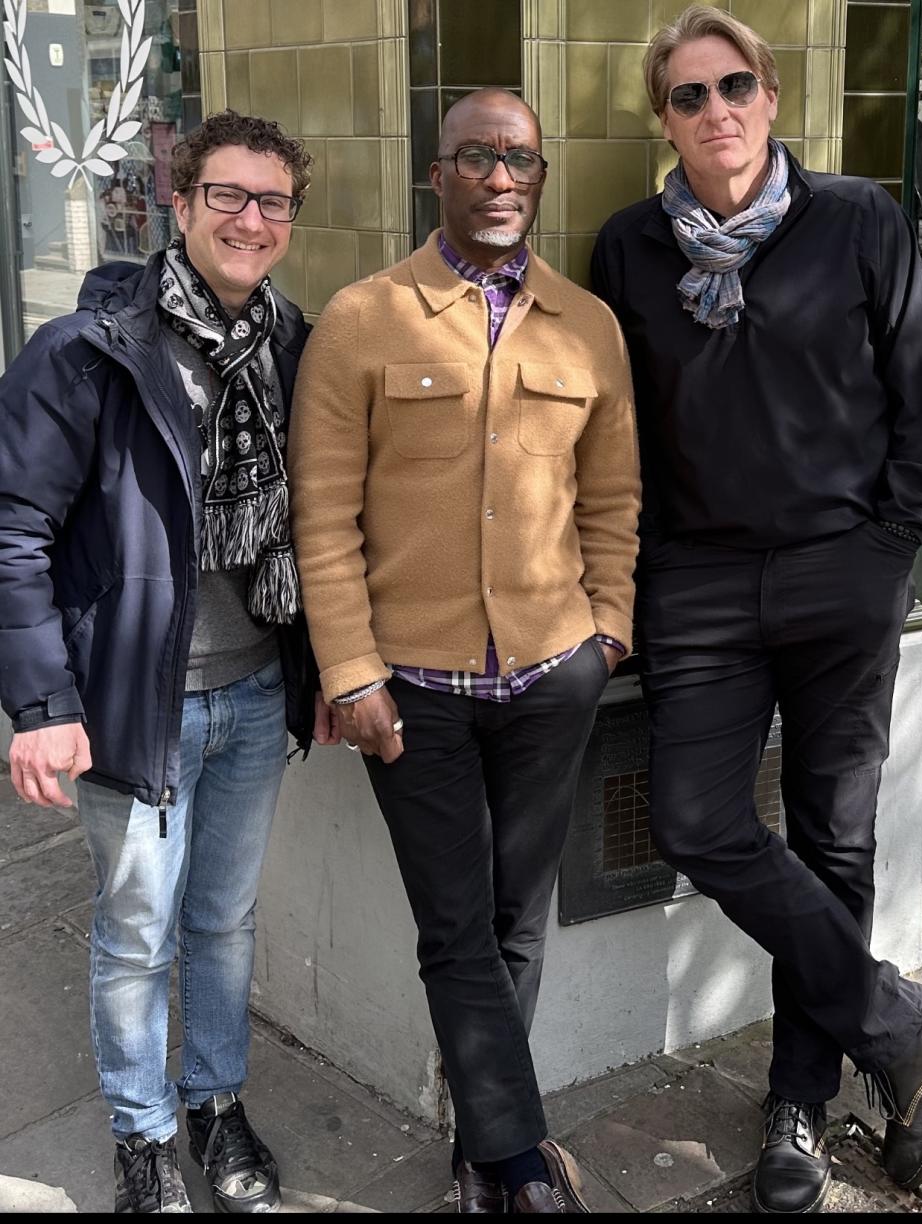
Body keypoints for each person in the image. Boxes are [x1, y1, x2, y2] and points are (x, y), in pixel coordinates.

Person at [591, 6, 922, 1215]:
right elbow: (620, 428)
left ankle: (797, 1101)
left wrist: (890, 541)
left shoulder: (857, 219)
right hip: (695, 583)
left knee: (834, 837)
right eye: (689, 96)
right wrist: (628, 566)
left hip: (838, 575)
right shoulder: (631, 246)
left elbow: (921, 386)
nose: (716, 112)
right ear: (665, 118)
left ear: (770, 96)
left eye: (733, 85)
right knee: (700, 821)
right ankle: (899, 1024)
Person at [289, 88, 640, 1214]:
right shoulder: (364, 318)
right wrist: (350, 672)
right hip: (415, 692)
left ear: (541, 180)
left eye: (521, 161)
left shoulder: (587, 325)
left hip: (552, 677)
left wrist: (608, 630)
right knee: (457, 923)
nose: (501, 178)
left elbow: (615, 498)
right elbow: (323, 515)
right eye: (477, 157)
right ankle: (524, 1165)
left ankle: (484, 1150)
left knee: (515, 918)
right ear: (436, 173)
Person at [0, 111, 319, 1214]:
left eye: (273, 201)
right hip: (136, 705)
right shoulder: (87, 352)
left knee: (222, 924)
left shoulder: (292, 346)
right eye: (226, 195)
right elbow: (14, 530)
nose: (250, 218)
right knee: (136, 933)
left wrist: (322, 678)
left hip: (255, 691)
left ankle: (214, 1104)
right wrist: (41, 702)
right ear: (177, 206)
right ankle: (142, 1139)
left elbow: (316, 531)